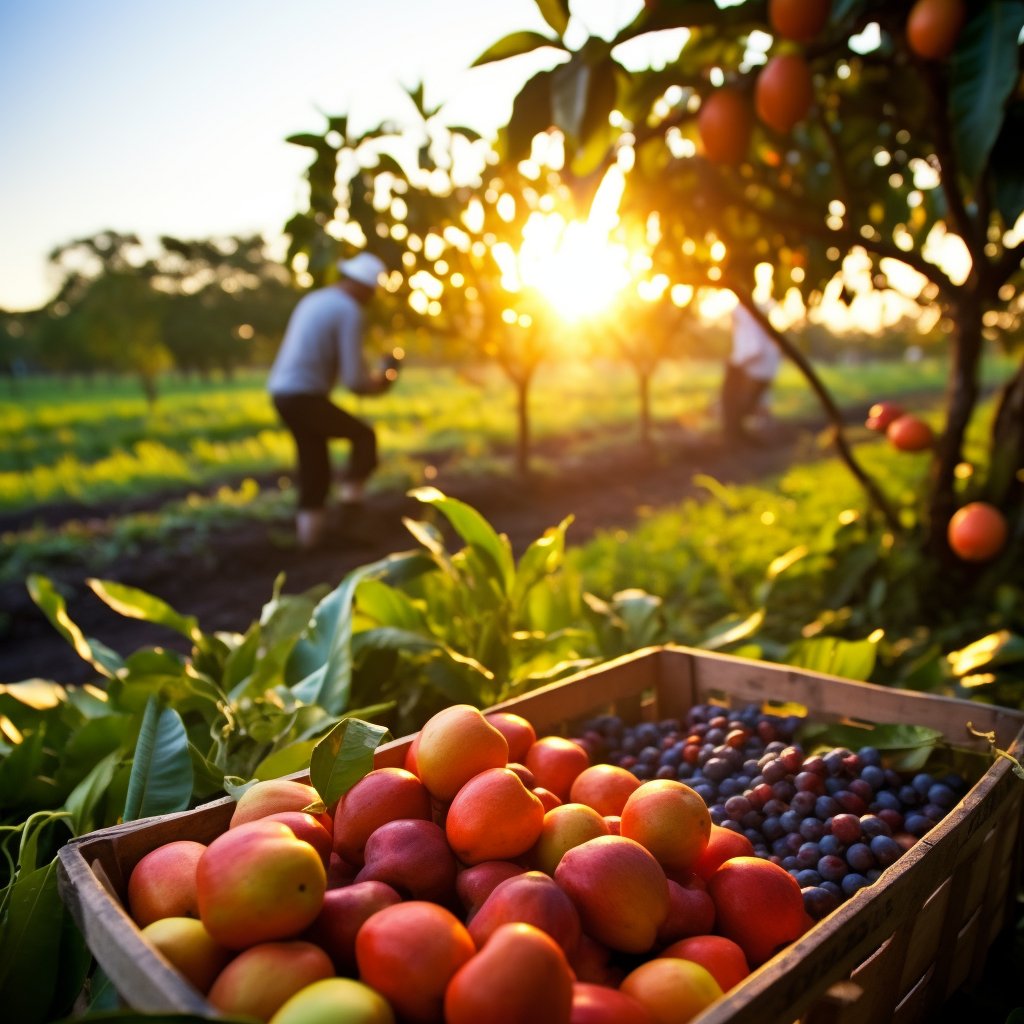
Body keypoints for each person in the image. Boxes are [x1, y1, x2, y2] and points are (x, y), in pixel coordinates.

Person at [268, 251, 399, 550]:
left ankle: (308, 543)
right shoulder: (348, 310)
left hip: (282, 394)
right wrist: (383, 380)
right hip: (304, 396)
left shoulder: (314, 300)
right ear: (363, 287)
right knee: (364, 437)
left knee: (314, 465)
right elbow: (354, 381)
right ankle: (350, 512)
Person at [720, 298, 782, 446]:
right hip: (763, 369)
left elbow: (756, 349)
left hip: (757, 371)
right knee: (749, 406)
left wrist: (735, 363)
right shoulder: (750, 320)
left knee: (738, 406)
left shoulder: (747, 322)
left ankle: (737, 437)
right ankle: (741, 436)